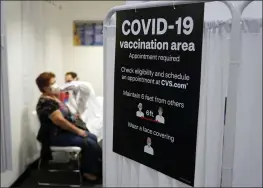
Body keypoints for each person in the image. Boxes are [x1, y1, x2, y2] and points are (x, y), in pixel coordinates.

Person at [35, 72, 101, 183]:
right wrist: (78, 131)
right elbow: (60, 121)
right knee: (89, 142)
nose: (56, 85)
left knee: (93, 137)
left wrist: (74, 117)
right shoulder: (46, 102)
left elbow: (64, 114)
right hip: (55, 136)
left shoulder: (53, 97)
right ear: (45, 88)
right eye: (53, 83)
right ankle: (88, 171)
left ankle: (93, 166)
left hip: (63, 132)